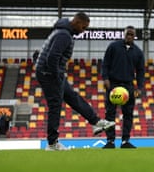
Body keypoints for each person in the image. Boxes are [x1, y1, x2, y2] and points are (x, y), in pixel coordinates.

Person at [35, 12, 115, 151]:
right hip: (49, 73)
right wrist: (57, 76)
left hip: (51, 72)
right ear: (77, 22)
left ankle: (96, 122)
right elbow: (52, 57)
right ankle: (52, 143)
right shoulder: (64, 35)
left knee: (72, 97)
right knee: (55, 105)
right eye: (83, 27)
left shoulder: (63, 32)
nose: (83, 31)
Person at [101, 25, 145, 149]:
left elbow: (141, 71)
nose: (129, 36)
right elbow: (105, 64)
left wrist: (139, 87)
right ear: (123, 34)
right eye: (127, 34)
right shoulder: (113, 47)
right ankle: (110, 141)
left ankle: (125, 141)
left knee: (128, 114)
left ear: (134, 36)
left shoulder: (138, 52)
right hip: (113, 85)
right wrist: (105, 78)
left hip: (128, 86)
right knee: (110, 113)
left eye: (132, 34)